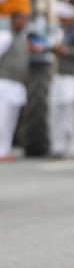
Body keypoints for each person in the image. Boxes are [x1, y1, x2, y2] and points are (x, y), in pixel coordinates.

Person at [48, 0, 74, 158]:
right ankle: (58, 145)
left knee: (70, 111)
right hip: (59, 75)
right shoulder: (62, 31)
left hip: (73, 75)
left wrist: (65, 50)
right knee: (56, 110)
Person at [0, 11, 31, 161]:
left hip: (16, 84)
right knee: (2, 118)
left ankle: (5, 150)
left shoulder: (21, 37)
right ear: (13, 20)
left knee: (11, 120)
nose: (23, 22)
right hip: (4, 83)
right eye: (20, 19)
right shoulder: (6, 36)